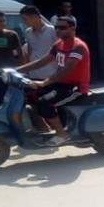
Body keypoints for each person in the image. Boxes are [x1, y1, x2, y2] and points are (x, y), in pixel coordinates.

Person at [16, 16, 90, 146]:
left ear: (72, 28)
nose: (58, 30)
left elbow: (66, 70)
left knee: (44, 103)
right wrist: (17, 70)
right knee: (31, 94)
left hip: (75, 87)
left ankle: (62, 134)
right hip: (60, 84)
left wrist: (44, 82)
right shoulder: (59, 44)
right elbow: (42, 61)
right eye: (56, 27)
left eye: (62, 27)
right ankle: (44, 127)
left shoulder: (78, 47)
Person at [20, 5, 58, 80]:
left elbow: (59, 52)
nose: (24, 22)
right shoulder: (28, 32)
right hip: (33, 74)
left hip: (50, 74)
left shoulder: (52, 31)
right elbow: (29, 51)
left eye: (25, 19)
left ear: (35, 17)